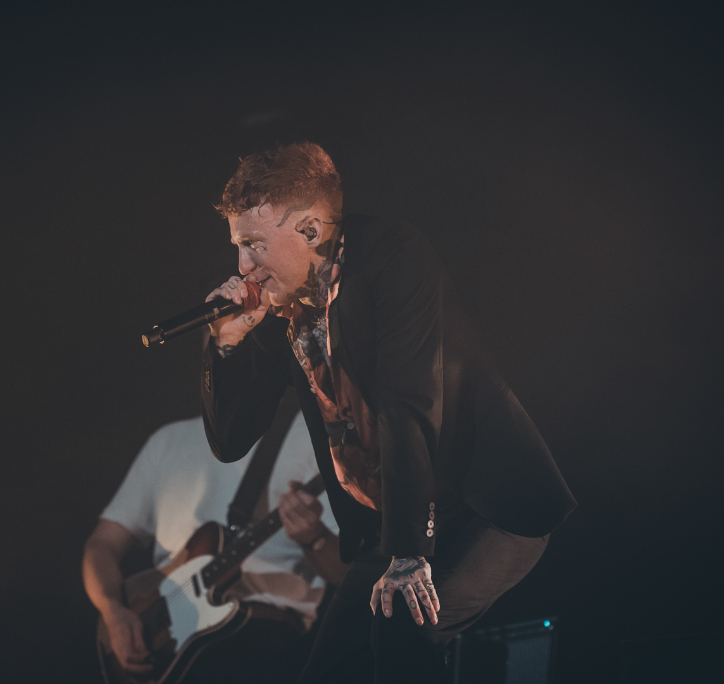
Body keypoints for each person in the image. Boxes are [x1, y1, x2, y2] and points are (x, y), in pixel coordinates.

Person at [200, 142, 577, 683]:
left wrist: (406, 554)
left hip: (484, 506)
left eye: (255, 245)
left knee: (405, 624)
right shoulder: (280, 303)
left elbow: (408, 402)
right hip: (393, 520)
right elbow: (231, 440)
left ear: (310, 230)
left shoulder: (390, 255)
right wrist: (227, 344)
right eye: (239, 246)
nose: (243, 267)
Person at [82, 403, 347, 684]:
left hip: (263, 642)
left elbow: (344, 574)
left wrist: (314, 538)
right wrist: (112, 610)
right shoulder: (168, 440)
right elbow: (102, 544)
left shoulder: (314, 437)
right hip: (168, 645)